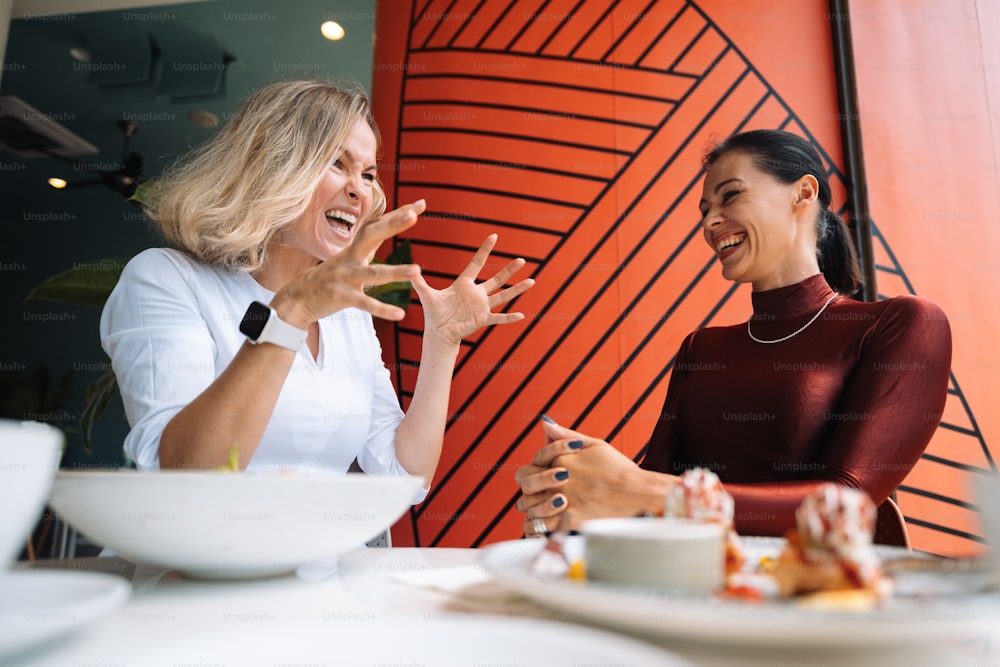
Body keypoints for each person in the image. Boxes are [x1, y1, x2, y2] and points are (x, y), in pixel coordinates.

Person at [101, 79, 533, 502]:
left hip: (314, 572)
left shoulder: (347, 315)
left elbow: (403, 474)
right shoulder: (167, 279)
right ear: (273, 165)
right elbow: (182, 474)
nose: (359, 190)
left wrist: (442, 344)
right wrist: (290, 313)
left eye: (368, 174)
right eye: (337, 164)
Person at [516, 128, 951, 538]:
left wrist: (643, 490)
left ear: (803, 193)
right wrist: (576, 490)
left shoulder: (901, 324)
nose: (711, 223)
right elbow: (652, 487)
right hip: (685, 591)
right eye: (705, 211)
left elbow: (847, 501)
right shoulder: (702, 348)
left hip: (813, 599)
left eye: (731, 197)